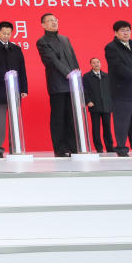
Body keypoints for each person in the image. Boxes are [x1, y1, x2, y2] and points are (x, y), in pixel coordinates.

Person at [36, 13, 79, 157]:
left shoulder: (65, 39)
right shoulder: (42, 41)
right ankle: (60, 149)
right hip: (57, 84)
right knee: (58, 118)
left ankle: (73, 147)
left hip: (72, 83)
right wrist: (68, 73)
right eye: (50, 21)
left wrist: (76, 75)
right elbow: (52, 60)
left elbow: (73, 58)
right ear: (43, 25)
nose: (54, 23)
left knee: (71, 117)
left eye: (55, 20)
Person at [0, 21, 28, 158]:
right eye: (4, 33)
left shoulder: (16, 49)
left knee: (15, 119)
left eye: (9, 34)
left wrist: (24, 88)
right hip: (0, 89)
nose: (6, 36)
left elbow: (22, 70)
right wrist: (7, 76)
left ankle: (15, 147)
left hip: (15, 90)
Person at [104, 20, 132, 157]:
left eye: (128, 30)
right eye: (122, 30)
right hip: (121, 89)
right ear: (116, 33)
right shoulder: (111, 47)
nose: (126, 33)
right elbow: (117, 66)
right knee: (122, 121)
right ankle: (121, 148)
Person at [82, 58, 115, 153]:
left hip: (106, 105)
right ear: (91, 65)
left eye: (98, 62)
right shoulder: (87, 77)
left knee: (107, 127)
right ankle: (99, 148)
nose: (96, 64)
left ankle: (110, 147)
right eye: (93, 62)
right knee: (96, 128)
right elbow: (84, 90)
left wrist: (111, 102)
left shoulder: (107, 76)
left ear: (100, 64)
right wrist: (88, 101)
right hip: (94, 105)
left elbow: (111, 90)